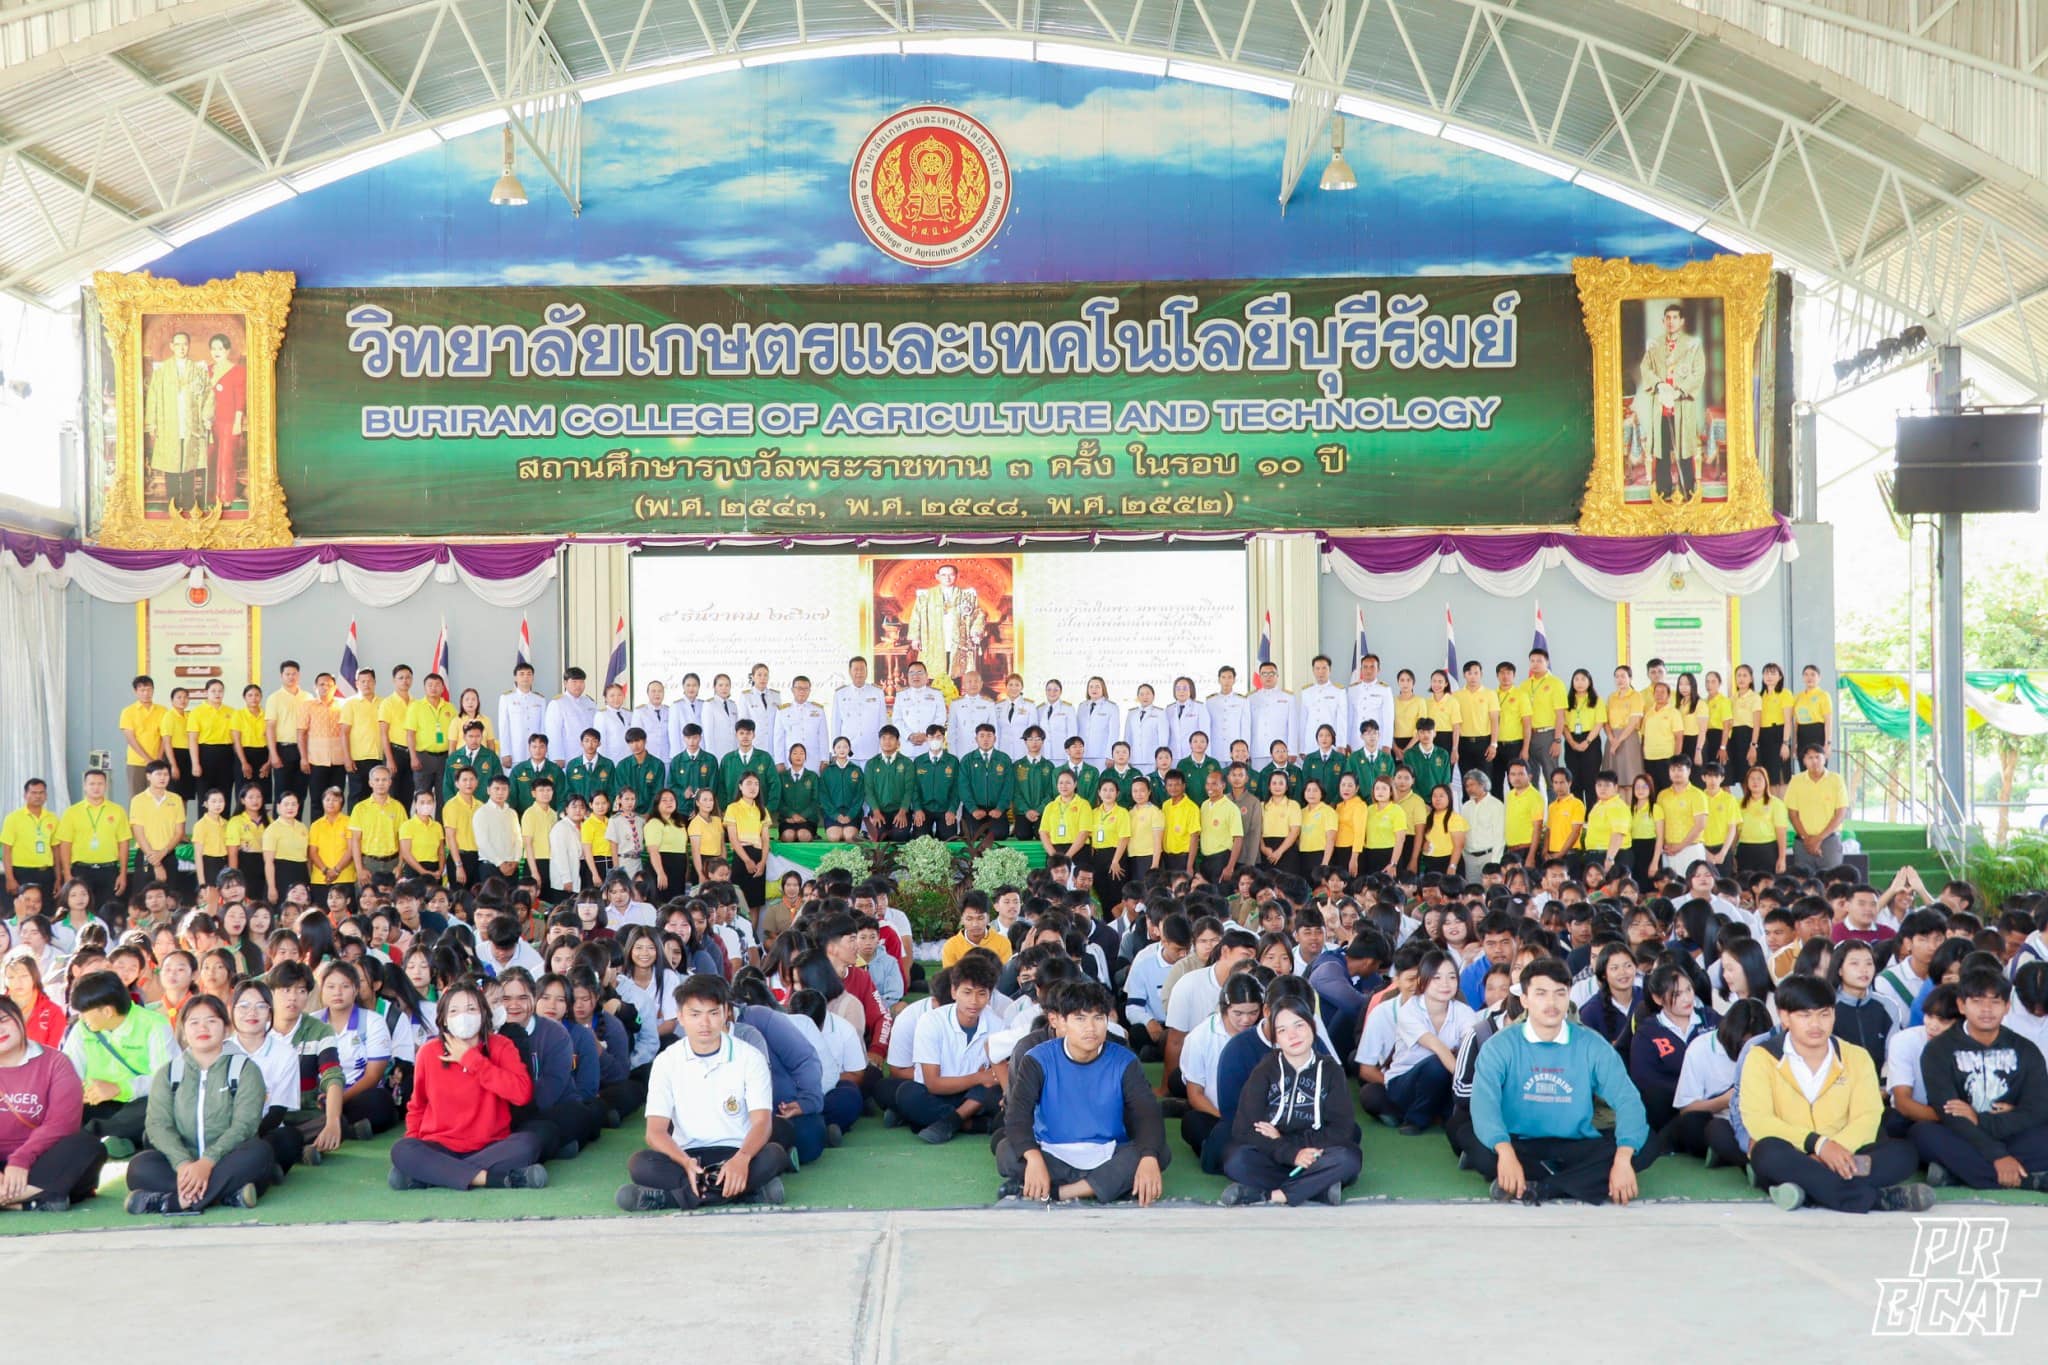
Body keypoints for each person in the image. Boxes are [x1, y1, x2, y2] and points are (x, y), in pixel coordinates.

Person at [1738, 972, 1934, 1212]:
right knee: (1767, 1152)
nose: (1816, 1024)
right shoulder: (1761, 1057)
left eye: (1824, 1014)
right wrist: (1818, 1145)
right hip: (1791, 1152)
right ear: (1784, 1017)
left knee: (1903, 1153)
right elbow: (1759, 1121)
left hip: (1845, 1152)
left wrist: (1834, 1149)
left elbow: (1868, 1117)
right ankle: (1877, 1199)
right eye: (1805, 1015)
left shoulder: (1856, 1057)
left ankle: (1804, 1188)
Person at [1468, 959, 1655, 1205]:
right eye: (1541, 994)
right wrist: (1505, 1152)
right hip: (1520, 1142)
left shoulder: (1592, 1044)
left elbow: (1628, 1101)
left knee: (1647, 1143)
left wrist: (1622, 1159)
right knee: (1478, 1144)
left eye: (1560, 993)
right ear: (1524, 999)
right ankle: (1580, 1183)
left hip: (1576, 1143)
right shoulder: (1500, 1046)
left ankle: (1541, 1186)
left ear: (1569, 996)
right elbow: (1484, 1105)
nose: (1552, 1003)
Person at [615, 973, 790, 1211]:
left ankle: (672, 1199)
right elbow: (655, 1132)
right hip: (686, 1156)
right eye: (695, 1014)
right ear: (681, 1017)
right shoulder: (667, 1061)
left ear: (726, 1012)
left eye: (713, 1013)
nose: (704, 1024)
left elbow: (761, 1123)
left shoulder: (750, 1057)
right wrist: (684, 1162)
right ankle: (743, 1193)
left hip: (736, 1151)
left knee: (774, 1154)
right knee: (640, 1163)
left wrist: (742, 1159)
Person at [996, 980, 1168, 1205]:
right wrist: (1034, 1157)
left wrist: (1147, 1158)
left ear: (1108, 1020)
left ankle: (1060, 1192)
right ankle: (1104, 1186)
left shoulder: (1124, 1060)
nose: (1091, 1027)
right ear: (1061, 1022)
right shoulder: (1037, 1059)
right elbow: (1017, 1115)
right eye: (1080, 1018)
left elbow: (1147, 1113)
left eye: (1098, 1018)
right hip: (1053, 1152)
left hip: (1108, 1152)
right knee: (1007, 1151)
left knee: (1158, 1153)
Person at [387, 980, 549, 1191]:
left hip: (490, 1146)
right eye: (454, 1010)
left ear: (483, 1014)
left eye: (471, 1009)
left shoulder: (501, 1046)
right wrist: (415, 1151)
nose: (464, 1016)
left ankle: (434, 1175)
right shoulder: (429, 1052)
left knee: (529, 1143)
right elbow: (418, 1107)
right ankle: (494, 1179)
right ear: (444, 1019)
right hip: (440, 1146)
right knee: (402, 1150)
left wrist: (471, 1060)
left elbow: (521, 1094)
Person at [123, 995, 276, 1214]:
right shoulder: (168, 1073)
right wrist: (184, 1163)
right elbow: (158, 1125)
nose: (202, 1027)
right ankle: (227, 1195)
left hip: (226, 1159)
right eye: (194, 1022)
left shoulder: (244, 1069)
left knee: (259, 1152)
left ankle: (172, 1202)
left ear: (226, 1029)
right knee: (139, 1167)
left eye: (211, 1021)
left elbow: (245, 1125)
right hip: (180, 1164)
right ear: (184, 1031)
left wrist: (208, 1162)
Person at [1912, 967, 2048, 1191]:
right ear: (1961, 1005)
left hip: (2011, 1133)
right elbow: (1949, 1113)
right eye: (1977, 1001)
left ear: (2007, 1007)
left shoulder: (2025, 1049)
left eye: (1995, 1002)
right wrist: (1998, 1156)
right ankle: (2028, 1179)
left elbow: (2037, 1109)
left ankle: (1961, 1174)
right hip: (1962, 1135)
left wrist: (1980, 1119)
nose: (1987, 1010)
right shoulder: (1938, 1050)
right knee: (1923, 1134)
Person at [1219, 994, 1361, 1206]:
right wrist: (1289, 1152)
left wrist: (1298, 1149)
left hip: (1314, 1154)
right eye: (1282, 1030)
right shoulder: (1266, 1068)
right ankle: (1316, 1189)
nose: (1292, 1035)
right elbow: (1244, 1127)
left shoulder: (1331, 1069)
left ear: (1312, 1026)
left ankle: (1271, 1195)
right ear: (1275, 1037)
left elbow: (1342, 1128)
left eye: (1299, 1026)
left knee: (1348, 1159)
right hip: (1273, 1153)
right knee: (1235, 1159)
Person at [0, 994, 106, 1211]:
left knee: (88, 1147)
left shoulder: (56, 1062)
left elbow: (62, 1124)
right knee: (72, 1183)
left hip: (42, 1159)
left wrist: (21, 1159)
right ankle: (32, 1200)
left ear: (20, 1019)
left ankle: (14, 1200)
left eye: (3, 1020)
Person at [891, 950, 1001, 1144]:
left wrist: (984, 1080)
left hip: (974, 1099)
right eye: (967, 992)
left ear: (990, 995)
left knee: (997, 1090)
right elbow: (933, 1083)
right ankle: (970, 1124)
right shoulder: (930, 1021)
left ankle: (947, 1122)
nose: (974, 1001)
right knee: (907, 1094)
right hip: (937, 1095)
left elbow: (994, 1078)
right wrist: (977, 1077)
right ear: (953, 992)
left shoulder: (998, 1025)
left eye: (981, 994)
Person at [63, 969, 174, 1154]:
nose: (81, 1017)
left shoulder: (154, 1025)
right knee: (65, 1108)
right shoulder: (82, 1029)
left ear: (107, 1011)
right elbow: (67, 1071)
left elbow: (166, 1079)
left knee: (156, 1111)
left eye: (84, 1012)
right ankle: (113, 1139)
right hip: (98, 1105)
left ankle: (91, 1137)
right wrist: (77, 1091)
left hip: (138, 1103)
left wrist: (120, 1088)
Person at [1784, 745, 1848, 873]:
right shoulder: (1796, 781)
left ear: (1824, 759)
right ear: (1804, 761)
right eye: (1810, 757)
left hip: (1829, 841)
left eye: (1818, 757)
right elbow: (1792, 814)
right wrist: (1807, 839)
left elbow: (1841, 813)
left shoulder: (1836, 780)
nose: (1814, 761)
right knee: (1803, 886)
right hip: (1803, 843)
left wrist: (1818, 839)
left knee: (1832, 884)